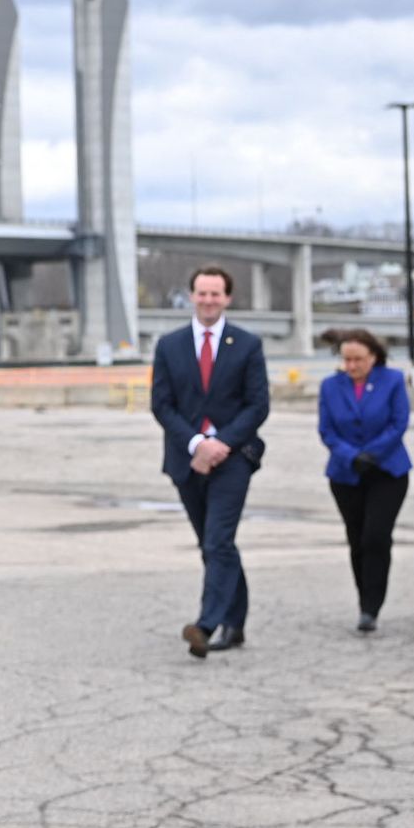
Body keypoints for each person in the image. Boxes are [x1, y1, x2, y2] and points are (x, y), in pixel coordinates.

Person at [151, 265, 270, 659]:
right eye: (202, 293)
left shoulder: (247, 344)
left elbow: (257, 405)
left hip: (233, 458)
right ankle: (235, 622)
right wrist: (197, 443)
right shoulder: (169, 345)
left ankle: (206, 624)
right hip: (187, 459)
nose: (208, 300)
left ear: (228, 298)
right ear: (192, 296)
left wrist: (220, 443)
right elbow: (162, 405)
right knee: (213, 544)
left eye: (216, 294)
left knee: (218, 540)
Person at [317, 328, 412, 633]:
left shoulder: (393, 381)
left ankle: (374, 603)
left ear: (373, 357)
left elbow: (399, 423)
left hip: (387, 472)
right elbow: (327, 430)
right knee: (357, 538)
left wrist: (372, 453)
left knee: (376, 537)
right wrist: (351, 455)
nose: (352, 366)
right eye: (347, 359)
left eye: (358, 359)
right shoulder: (330, 386)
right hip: (346, 473)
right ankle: (364, 603)